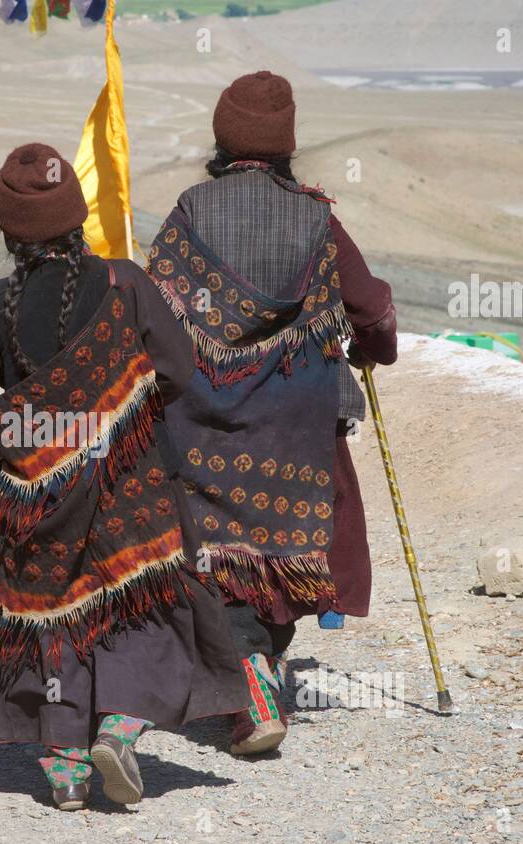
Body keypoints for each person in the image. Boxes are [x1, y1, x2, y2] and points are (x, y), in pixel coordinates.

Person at [0, 143, 246, 811]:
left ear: (8, 231)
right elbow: (180, 371)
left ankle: (67, 764)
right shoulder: (123, 283)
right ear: (76, 218)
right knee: (145, 605)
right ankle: (122, 724)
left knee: (60, 617)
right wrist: (120, 400)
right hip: (127, 483)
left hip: (40, 498)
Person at [145, 72, 398, 756]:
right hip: (298, 421)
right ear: (286, 145)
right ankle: (257, 670)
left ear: (224, 140)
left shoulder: (192, 210)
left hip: (204, 417)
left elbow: (154, 306)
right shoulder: (316, 218)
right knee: (284, 540)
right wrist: (378, 348)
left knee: (218, 545)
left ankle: (249, 671)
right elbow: (370, 305)